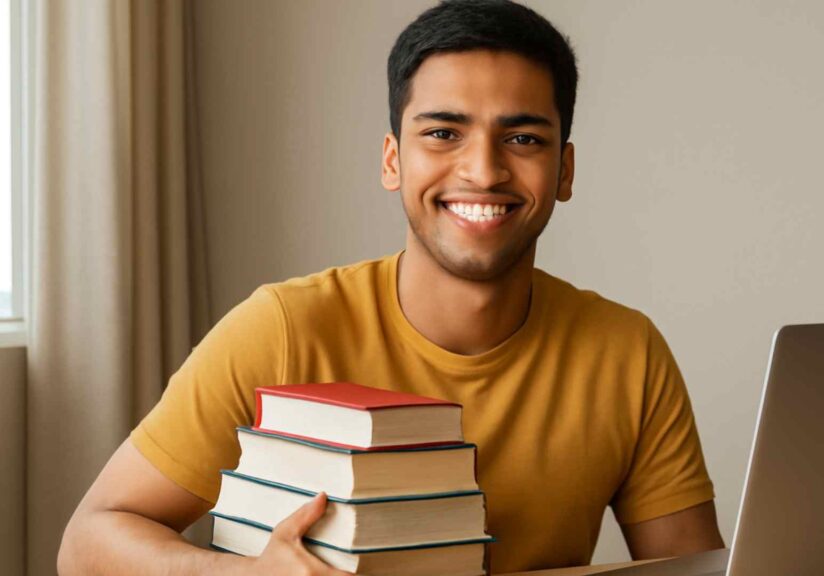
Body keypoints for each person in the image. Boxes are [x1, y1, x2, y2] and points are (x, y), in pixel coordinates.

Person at [57, 1, 725, 574]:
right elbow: (87, 545)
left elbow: (696, 569)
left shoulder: (627, 352)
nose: (484, 170)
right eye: (443, 133)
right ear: (392, 160)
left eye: (522, 137)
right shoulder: (284, 328)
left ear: (565, 170)